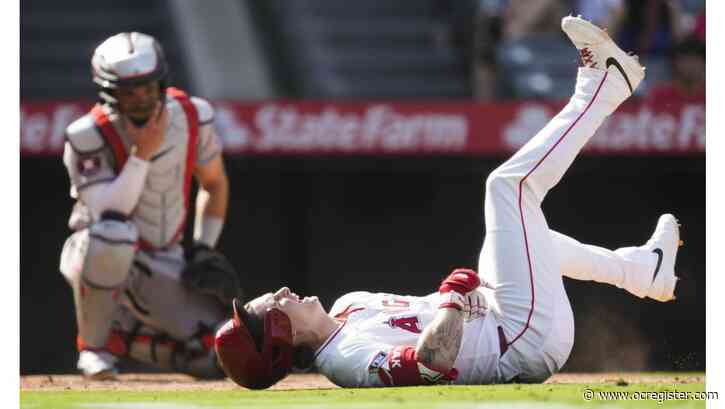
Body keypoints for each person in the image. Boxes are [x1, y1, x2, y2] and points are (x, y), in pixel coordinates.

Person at [215, 16, 682, 388]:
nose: (280, 293)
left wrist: (459, 300)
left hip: (504, 315)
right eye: (272, 305)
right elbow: (432, 364)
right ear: (278, 335)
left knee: (527, 234)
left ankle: (639, 270)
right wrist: (453, 301)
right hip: (521, 341)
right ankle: (604, 87)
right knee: (508, 188)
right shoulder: (344, 359)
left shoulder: (349, 306)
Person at [60, 32, 243, 380]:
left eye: (147, 87)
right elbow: (110, 213)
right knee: (115, 235)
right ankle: (95, 349)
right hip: (97, 252)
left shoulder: (193, 115)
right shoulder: (86, 135)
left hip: (164, 258)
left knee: (225, 352)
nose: (141, 98)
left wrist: (203, 248)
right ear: (109, 92)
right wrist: (142, 152)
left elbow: (215, 183)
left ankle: (124, 337)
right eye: (129, 91)